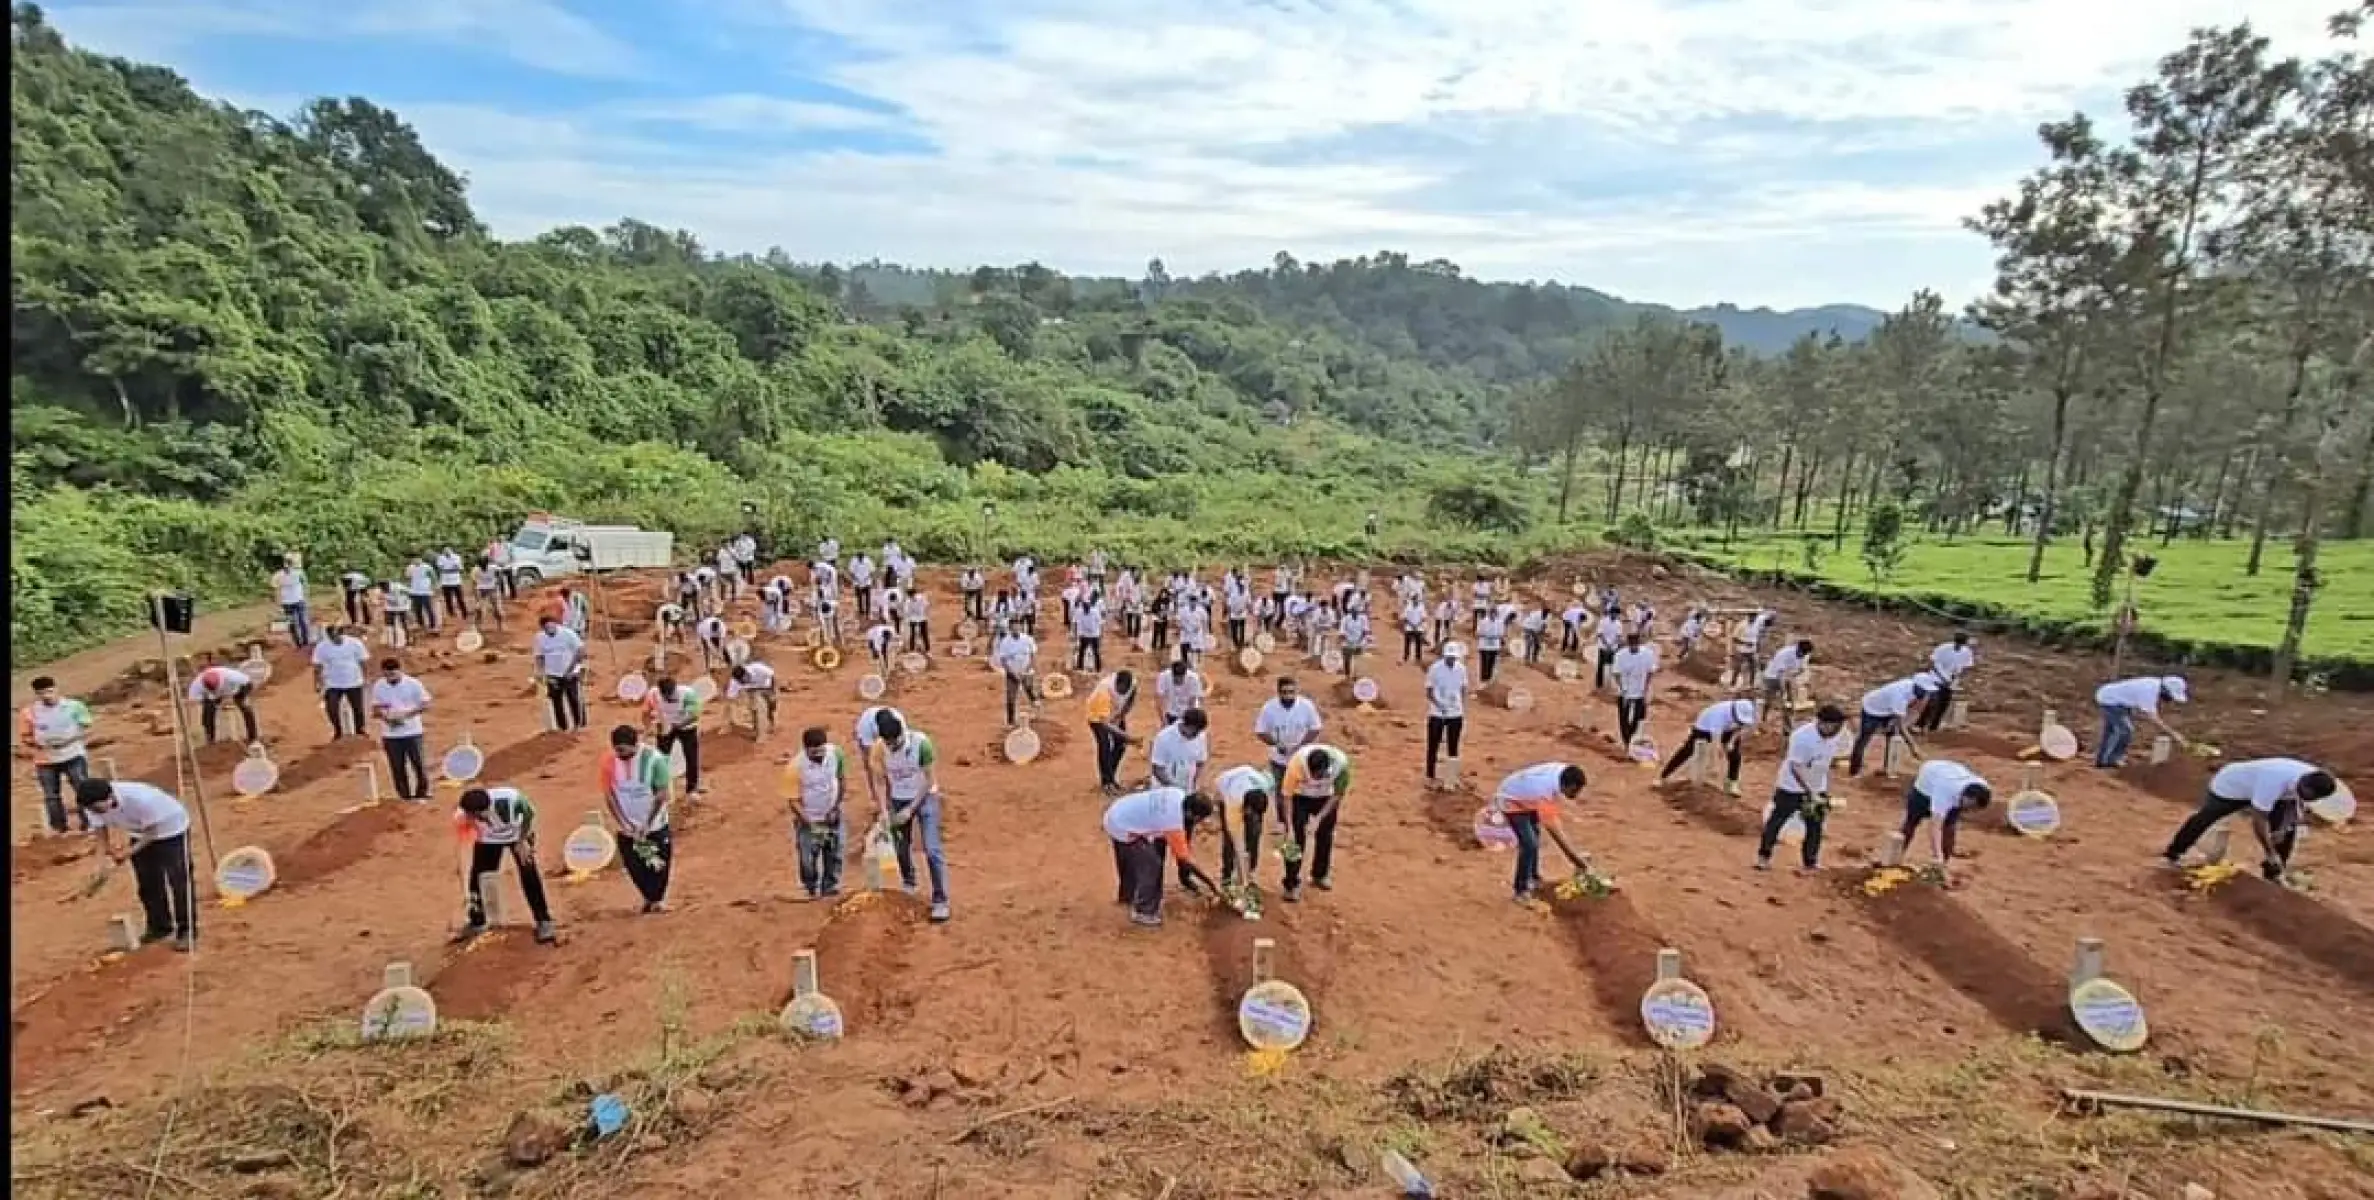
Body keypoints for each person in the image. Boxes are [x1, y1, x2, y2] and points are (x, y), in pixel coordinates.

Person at [2161, 758, 2336, 881]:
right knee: (2206, 817)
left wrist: (2283, 828)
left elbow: (2294, 805)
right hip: (2232, 786)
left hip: (2274, 792)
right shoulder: (2274, 781)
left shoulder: (2313, 780)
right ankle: (2174, 853)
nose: (2308, 799)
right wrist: (2270, 851)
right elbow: (2259, 819)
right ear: (2303, 784)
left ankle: (2274, 873)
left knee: (2286, 832)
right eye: (2306, 795)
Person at [76, 779, 195, 951]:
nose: (95, 812)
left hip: (171, 829)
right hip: (139, 832)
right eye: (91, 809)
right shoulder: (91, 805)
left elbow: (153, 832)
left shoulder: (141, 799)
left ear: (110, 797)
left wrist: (128, 852)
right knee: (148, 883)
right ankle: (159, 926)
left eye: (97, 808)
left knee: (179, 881)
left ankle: (187, 931)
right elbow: (101, 836)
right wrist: (100, 864)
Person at [1104, 785, 1221, 927]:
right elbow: (1184, 860)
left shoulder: (1178, 794)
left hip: (1118, 812)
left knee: (1133, 858)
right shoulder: (1172, 821)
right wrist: (1211, 883)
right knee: (1152, 864)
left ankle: (1128, 896)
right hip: (1123, 827)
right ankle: (1144, 912)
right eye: (1199, 819)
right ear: (1192, 814)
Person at [452, 786, 557, 943]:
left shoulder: (513, 800)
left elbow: (528, 815)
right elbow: (461, 844)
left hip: (517, 835)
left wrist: (523, 841)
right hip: (488, 840)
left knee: (528, 873)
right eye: (470, 816)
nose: (473, 819)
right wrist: (461, 870)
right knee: (477, 877)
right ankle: (477, 921)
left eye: (477, 815)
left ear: (486, 808)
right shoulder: (462, 815)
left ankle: (544, 921)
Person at [873, 713, 952, 922]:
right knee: (901, 846)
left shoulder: (921, 744)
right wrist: (883, 811)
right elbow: (880, 782)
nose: (892, 746)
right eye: (888, 743)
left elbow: (929, 779)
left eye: (895, 742)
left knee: (932, 849)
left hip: (924, 797)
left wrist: (911, 809)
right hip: (898, 798)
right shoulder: (880, 749)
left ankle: (940, 900)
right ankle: (909, 882)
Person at [1757, 704, 1848, 873]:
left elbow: (1825, 763)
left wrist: (1821, 789)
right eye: (1835, 726)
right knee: (1778, 820)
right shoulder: (1802, 737)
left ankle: (1810, 862)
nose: (1838, 730)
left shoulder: (1835, 736)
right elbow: (1796, 767)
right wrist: (1810, 791)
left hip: (1817, 786)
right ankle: (1764, 856)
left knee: (1815, 825)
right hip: (1791, 786)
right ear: (1823, 723)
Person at [601, 725, 676, 913]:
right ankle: (648, 897)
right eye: (617, 750)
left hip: (654, 823)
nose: (620, 754)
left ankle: (657, 899)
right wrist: (623, 824)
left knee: (659, 864)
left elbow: (661, 794)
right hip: (627, 827)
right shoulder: (608, 762)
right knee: (634, 866)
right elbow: (609, 796)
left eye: (624, 750)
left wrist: (647, 824)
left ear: (635, 745)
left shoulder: (655, 760)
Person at [1493, 763, 1594, 902]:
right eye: (1574, 790)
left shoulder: (1562, 772)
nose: (1575, 795)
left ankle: (1533, 877)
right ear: (1567, 785)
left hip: (1526, 796)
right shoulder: (1543, 791)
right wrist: (1576, 859)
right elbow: (1555, 831)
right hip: (1510, 799)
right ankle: (1520, 890)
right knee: (1529, 844)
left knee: (1535, 834)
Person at [1276, 743, 1352, 902]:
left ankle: (1320, 875)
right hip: (1299, 798)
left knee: (1325, 834)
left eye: (1319, 776)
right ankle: (1291, 884)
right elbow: (1287, 797)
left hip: (1325, 798)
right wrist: (1288, 827)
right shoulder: (1296, 765)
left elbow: (1338, 794)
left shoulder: (1342, 765)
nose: (1315, 779)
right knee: (1295, 840)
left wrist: (1318, 819)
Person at [21, 676, 95, 835]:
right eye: (42, 693)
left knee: (82, 788)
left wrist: (70, 739)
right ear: (36, 694)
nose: (47, 696)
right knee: (51, 795)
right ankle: (59, 828)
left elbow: (87, 727)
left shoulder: (74, 706)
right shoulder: (29, 713)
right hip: (45, 759)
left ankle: (90, 822)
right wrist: (38, 744)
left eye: (50, 691)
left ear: (56, 689)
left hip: (73, 753)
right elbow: (25, 736)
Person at [1898, 759, 1992, 882]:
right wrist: (1937, 855)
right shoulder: (1945, 792)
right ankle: (1896, 857)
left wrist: (1941, 860)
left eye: (1974, 808)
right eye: (1970, 806)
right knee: (1911, 821)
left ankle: (1942, 867)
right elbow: (1934, 826)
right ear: (1966, 797)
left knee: (1950, 826)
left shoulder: (1982, 788)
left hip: (1948, 773)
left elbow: (1947, 825)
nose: (1970, 811)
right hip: (1926, 783)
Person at [782, 727, 849, 898]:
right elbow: (793, 800)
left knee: (834, 854)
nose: (819, 754)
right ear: (806, 749)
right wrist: (810, 823)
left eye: (821, 750)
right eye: (814, 752)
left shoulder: (836, 754)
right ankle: (810, 887)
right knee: (807, 860)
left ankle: (830, 887)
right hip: (808, 819)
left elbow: (841, 780)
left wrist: (835, 807)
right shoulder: (795, 767)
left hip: (832, 815)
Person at [1662, 698, 1757, 795]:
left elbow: (1741, 728)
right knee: (1687, 750)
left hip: (1728, 730)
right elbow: (1716, 744)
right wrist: (1714, 765)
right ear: (1733, 712)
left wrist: (1731, 742)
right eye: (1739, 720)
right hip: (1704, 728)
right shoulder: (1719, 715)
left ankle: (1731, 783)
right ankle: (1665, 776)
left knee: (1735, 755)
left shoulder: (1745, 714)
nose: (1740, 721)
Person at [1847, 673, 1936, 777]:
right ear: (1917, 687)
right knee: (1864, 738)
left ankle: (1888, 768)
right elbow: (1901, 726)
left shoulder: (1915, 689)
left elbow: (1913, 711)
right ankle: (1854, 771)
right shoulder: (1899, 696)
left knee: (1892, 735)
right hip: (1872, 709)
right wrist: (1913, 747)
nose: (1926, 694)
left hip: (1888, 709)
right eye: (1925, 691)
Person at [370, 658, 434, 802]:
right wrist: (387, 718)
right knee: (397, 767)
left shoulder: (413, 684)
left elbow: (425, 704)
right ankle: (404, 796)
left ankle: (422, 793)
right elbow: (376, 708)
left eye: (393, 675)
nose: (390, 678)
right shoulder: (379, 686)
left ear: (400, 671)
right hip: (390, 734)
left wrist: (406, 715)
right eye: (387, 675)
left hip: (413, 732)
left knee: (418, 764)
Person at [2093, 675, 2190, 769]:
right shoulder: (2148, 691)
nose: (2170, 699)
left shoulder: (2154, 685)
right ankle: (2111, 760)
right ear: (2165, 690)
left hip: (2116, 700)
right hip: (2110, 700)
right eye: (2170, 696)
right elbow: (2153, 718)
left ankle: (2102, 760)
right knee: (2125, 730)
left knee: (2112, 731)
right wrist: (2175, 735)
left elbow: (2142, 711)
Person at [1255, 676, 1324, 791]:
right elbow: (1260, 731)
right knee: (1281, 791)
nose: (1288, 696)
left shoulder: (1306, 706)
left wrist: (1300, 746)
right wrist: (1276, 744)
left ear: (1296, 691)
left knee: (1301, 791)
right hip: (1279, 760)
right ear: (1278, 692)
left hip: (1301, 758)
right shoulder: (1269, 708)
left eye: (1291, 692)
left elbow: (1315, 728)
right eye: (1284, 692)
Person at [642, 677, 705, 796]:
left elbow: (694, 715)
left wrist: (676, 725)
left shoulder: (688, 694)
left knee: (691, 757)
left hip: (687, 728)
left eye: (670, 695)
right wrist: (648, 727)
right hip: (665, 728)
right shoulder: (653, 694)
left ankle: (692, 789)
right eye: (665, 696)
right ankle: (657, 788)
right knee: (661, 758)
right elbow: (645, 712)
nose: (668, 698)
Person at [306, 623, 369, 740]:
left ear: (341, 634)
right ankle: (338, 731)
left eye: (336, 637)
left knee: (358, 708)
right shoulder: (322, 647)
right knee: (332, 709)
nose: (334, 640)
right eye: (332, 637)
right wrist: (317, 683)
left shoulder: (355, 643)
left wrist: (365, 678)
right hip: (332, 683)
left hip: (353, 681)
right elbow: (317, 666)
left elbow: (363, 661)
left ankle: (360, 730)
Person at [1086, 670, 1140, 793]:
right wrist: (1127, 737)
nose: (1123, 693)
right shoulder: (1103, 691)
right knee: (1104, 745)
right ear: (1116, 684)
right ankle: (1106, 782)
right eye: (1121, 690)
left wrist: (1121, 715)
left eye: (1126, 690)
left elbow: (1130, 700)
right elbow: (1105, 724)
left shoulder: (1132, 684)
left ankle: (1111, 778)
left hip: (1115, 712)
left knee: (1120, 746)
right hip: (1096, 717)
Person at [1424, 642, 1469, 785]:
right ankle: (1430, 775)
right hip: (1437, 713)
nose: (1451, 660)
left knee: (1453, 745)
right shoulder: (1435, 669)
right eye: (1449, 657)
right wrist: (1439, 705)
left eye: (1453, 658)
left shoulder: (1461, 669)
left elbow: (1463, 688)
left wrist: (1460, 705)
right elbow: (1429, 692)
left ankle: (1451, 777)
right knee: (1433, 744)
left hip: (1455, 713)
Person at [533, 614, 588, 732]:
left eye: (551, 627)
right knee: (556, 700)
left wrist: (571, 669)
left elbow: (580, 651)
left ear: (556, 624)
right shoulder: (539, 638)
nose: (549, 630)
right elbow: (539, 656)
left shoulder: (568, 634)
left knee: (573, 698)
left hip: (571, 672)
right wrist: (540, 672)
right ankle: (562, 727)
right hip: (552, 674)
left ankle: (579, 724)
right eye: (546, 629)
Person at [188, 665, 259, 746]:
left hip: (239, 687)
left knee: (244, 706)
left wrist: (233, 698)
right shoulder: (196, 685)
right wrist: (208, 701)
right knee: (208, 709)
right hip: (213, 694)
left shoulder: (234, 677)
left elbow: (249, 684)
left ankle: (253, 737)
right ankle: (210, 738)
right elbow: (193, 701)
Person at [1612, 630, 1659, 750]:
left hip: (1640, 690)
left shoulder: (1647, 654)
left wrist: (1646, 688)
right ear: (1628, 643)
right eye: (1631, 644)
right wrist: (1622, 688)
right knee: (1624, 717)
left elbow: (1650, 671)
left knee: (1639, 717)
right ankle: (1626, 740)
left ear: (1639, 643)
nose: (1633, 646)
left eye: (1635, 644)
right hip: (1625, 691)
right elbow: (1616, 673)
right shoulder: (1620, 655)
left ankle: (1634, 739)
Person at [1920, 632, 1976, 732]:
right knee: (1932, 702)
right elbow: (1932, 663)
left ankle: (1933, 727)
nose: (1958, 646)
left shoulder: (1967, 652)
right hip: (1937, 678)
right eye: (1957, 644)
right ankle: (1920, 724)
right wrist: (1942, 678)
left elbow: (1967, 667)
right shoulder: (1943, 648)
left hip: (1951, 681)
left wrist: (1958, 677)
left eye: (1961, 645)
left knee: (1944, 704)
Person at [1149, 707, 1211, 792]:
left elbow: (1200, 762)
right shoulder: (1163, 738)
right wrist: (1174, 789)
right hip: (1164, 791)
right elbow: (1158, 769)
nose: (1196, 735)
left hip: (1188, 789)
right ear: (1186, 725)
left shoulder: (1201, 736)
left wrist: (1194, 782)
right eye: (1194, 732)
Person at [993, 622, 1042, 728]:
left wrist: (1028, 668)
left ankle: (1034, 701)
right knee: (1011, 697)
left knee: (1028, 688)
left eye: (1018, 627)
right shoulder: (1005, 642)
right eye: (1013, 627)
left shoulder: (1028, 639)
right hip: (1012, 673)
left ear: (1020, 627)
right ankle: (1010, 721)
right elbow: (1003, 660)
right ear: (1010, 629)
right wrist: (1013, 673)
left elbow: (1033, 655)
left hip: (1026, 671)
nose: (1016, 629)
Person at [1759, 639, 1814, 731]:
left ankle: (1787, 726)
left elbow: (1801, 669)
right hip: (1772, 677)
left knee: (1789, 703)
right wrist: (1783, 691)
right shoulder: (1784, 654)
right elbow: (1781, 674)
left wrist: (1794, 680)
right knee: (1771, 700)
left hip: (1788, 677)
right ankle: (1763, 719)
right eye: (1801, 654)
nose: (1803, 656)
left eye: (1805, 654)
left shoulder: (1805, 655)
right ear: (1798, 648)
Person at [271, 553, 314, 647]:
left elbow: (306, 585)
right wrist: (278, 606)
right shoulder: (277, 576)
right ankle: (298, 644)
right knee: (292, 624)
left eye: (290, 562)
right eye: (286, 562)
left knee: (303, 622)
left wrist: (306, 598)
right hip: (287, 604)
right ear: (283, 563)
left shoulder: (299, 573)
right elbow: (276, 591)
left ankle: (306, 642)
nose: (288, 565)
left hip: (299, 601)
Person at [728, 660, 778, 736]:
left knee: (771, 707)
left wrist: (773, 692)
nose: (744, 682)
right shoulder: (734, 682)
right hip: (753, 691)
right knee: (756, 707)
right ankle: (758, 730)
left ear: (746, 673)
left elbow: (772, 675)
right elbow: (730, 697)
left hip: (768, 687)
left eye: (744, 679)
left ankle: (771, 722)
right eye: (741, 682)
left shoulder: (758, 668)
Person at [1156, 657, 1206, 726]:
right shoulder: (1163, 676)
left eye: (1181, 678)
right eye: (1176, 679)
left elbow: (1192, 701)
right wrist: (1163, 721)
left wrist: (1189, 721)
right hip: (1171, 711)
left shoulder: (1193, 678)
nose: (1179, 681)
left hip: (1189, 711)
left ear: (1185, 674)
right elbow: (1159, 700)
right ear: (1172, 674)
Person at [1592, 608, 1624, 691]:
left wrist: (1613, 645)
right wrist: (1607, 644)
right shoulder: (1603, 621)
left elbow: (1619, 636)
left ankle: (1609, 684)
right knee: (1601, 665)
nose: (1615, 615)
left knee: (1612, 666)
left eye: (1617, 614)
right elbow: (1600, 634)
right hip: (1603, 646)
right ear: (1610, 613)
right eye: (1614, 613)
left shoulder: (1618, 623)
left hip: (1613, 648)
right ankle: (1599, 684)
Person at [405, 556, 440, 632]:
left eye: (417, 559)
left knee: (428, 608)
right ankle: (421, 624)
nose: (416, 561)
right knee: (417, 609)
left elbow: (433, 577)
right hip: (414, 591)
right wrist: (408, 589)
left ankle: (433, 625)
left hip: (425, 591)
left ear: (421, 559)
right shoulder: (410, 568)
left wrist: (435, 587)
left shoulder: (427, 567)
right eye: (414, 560)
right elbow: (408, 578)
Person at [1074, 588, 1105, 671]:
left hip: (1094, 635)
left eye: (1087, 607)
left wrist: (1102, 634)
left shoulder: (1095, 612)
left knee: (1096, 652)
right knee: (1081, 651)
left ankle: (1098, 668)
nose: (1086, 609)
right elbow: (1076, 623)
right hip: (1084, 635)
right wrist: (1076, 634)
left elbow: (1100, 623)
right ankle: (1080, 667)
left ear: (1090, 606)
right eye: (1084, 607)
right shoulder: (1079, 612)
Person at [435, 547, 468, 622]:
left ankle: (464, 613)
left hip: (456, 581)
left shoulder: (457, 557)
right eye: (445, 552)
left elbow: (459, 568)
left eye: (448, 552)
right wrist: (452, 569)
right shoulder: (440, 558)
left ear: (451, 551)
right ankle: (451, 614)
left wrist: (447, 569)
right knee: (448, 599)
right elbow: (440, 568)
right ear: (443, 552)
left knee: (460, 598)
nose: (446, 554)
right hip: (445, 582)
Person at [1475, 607, 1508, 683]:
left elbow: (1502, 633)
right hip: (1484, 644)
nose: (1493, 615)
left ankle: (1488, 677)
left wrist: (1498, 637)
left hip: (1494, 645)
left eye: (1494, 613)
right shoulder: (1483, 622)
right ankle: (1483, 678)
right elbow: (1478, 632)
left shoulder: (1500, 622)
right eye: (1491, 613)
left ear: (1496, 614)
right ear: (1489, 613)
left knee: (1491, 662)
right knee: (1484, 661)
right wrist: (1485, 634)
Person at [471, 557, 504, 628]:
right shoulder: (475, 570)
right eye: (481, 566)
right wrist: (476, 597)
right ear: (479, 565)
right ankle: (478, 625)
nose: (483, 567)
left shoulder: (493, 568)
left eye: (484, 565)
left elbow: (501, 572)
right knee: (478, 608)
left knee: (496, 608)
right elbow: (473, 583)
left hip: (492, 588)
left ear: (487, 564)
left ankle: (500, 623)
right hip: (481, 589)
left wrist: (498, 581)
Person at [904, 588, 932, 653]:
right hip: (913, 618)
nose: (911, 597)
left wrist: (925, 612)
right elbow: (907, 611)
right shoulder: (908, 601)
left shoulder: (921, 597)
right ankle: (912, 649)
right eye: (910, 596)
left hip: (922, 617)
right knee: (912, 634)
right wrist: (909, 616)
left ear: (915, 594)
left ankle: (927, 648)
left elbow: (927, 605)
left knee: (924, 633)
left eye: (912, 595)